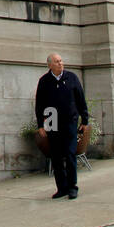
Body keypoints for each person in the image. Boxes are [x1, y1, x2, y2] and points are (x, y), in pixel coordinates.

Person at [35, 52, 88, 200]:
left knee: (70, 154)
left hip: (69, 121)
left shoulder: (71, 78)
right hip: (52, 122)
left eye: (61, 61)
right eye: (57, 62)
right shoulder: (44, 81)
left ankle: (72, 187)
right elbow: (40, 104)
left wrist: (84, 120)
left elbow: (80, 99)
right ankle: (62, 188)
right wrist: (41, 125)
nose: (60, 63)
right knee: (56, 156)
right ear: (50, 65)